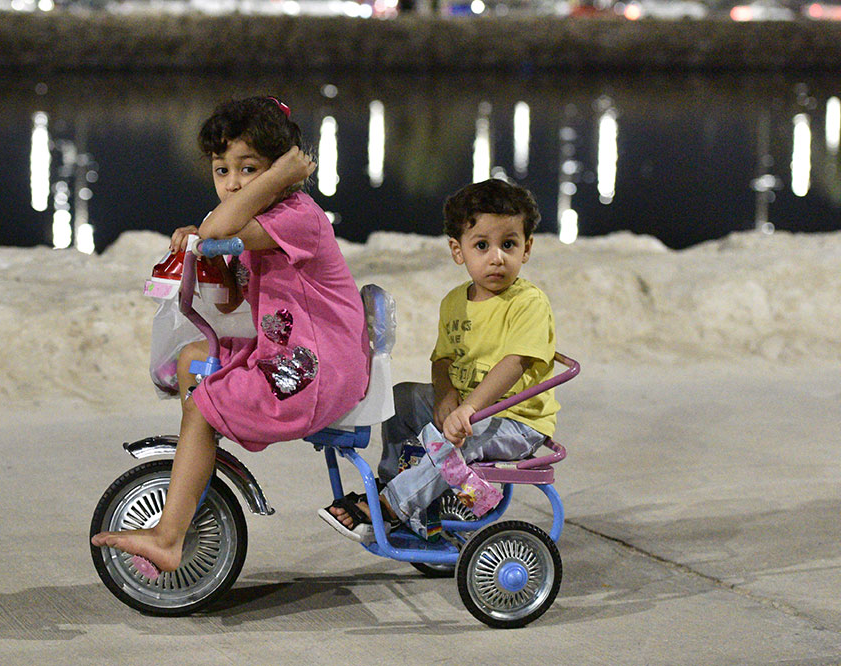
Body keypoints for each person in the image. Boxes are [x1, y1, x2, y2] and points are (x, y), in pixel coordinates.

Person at [92, 96, 371, 571]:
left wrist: (276, 181)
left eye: (250, 169)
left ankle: (169, 536)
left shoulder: (297, 217)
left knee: (203, 406)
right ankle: (195, 470)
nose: (234, 183)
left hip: (315, 367)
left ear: (281, 171)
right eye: (222, 170)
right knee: (192, 359)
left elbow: (218, 225)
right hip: (286, 349)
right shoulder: (252, 224)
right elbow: (228, 299)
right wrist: (204, 250)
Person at [320, 178, 559, 541]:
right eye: (482, 245)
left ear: (526, 248)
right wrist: (446, 396)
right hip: (467, 407)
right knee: (402, 399)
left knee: (453, 438)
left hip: (515, 419)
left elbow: (515, 363)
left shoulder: (528, 302)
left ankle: (390, 506)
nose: (497, 257)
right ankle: (396, 483)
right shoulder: (454, 302)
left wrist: (468, 409)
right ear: (458, 250)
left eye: (509, 244)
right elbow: (443, 359)